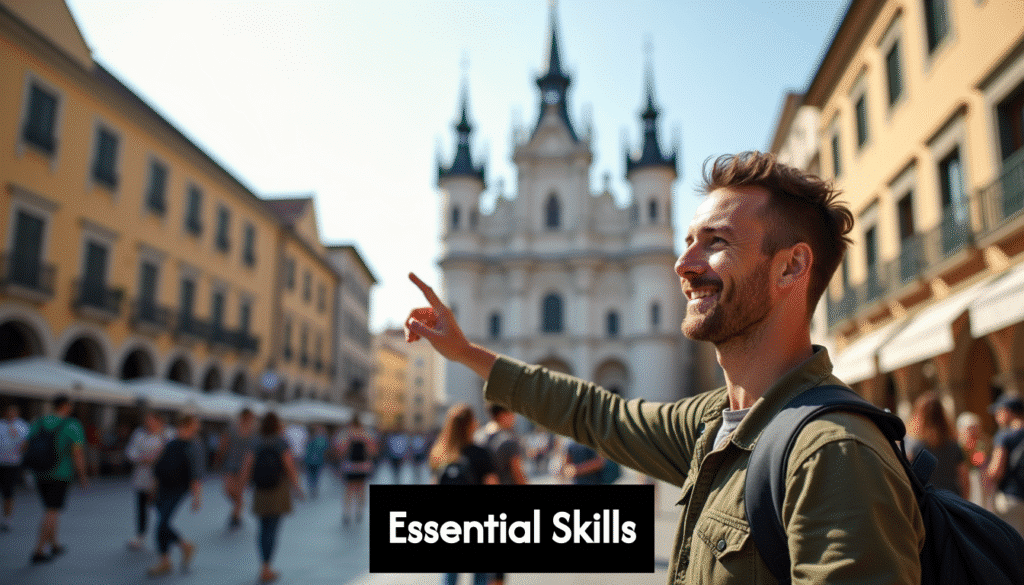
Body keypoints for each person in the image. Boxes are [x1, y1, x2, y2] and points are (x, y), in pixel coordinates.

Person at [405, 151, 925, 584]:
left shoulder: (833, 455)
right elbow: (594, 414)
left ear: (791, 265)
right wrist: (466, 351)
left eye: (715, 243)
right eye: (687, 242)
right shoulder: (712, 423)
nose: (682, 264)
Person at [430, 403, 497, 585]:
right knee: (481, 576)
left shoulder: (440, 454)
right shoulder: (480, 453)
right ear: (470, 424)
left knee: (450, 575)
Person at [240, 412, 304, 584]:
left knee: (262, 528)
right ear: (277, 425)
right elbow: (289, 466)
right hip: (278, 489)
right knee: (273, 529)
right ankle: (267, 566)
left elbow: (247, 464)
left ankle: (264, 565)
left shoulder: (256, 441)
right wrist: (297, 488)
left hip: (260, 489)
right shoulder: (281, 442)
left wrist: (243, 484)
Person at [27, 394, 87, 564]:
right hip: (61, 474)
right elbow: (77, 453)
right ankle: (38, 550)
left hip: (39, 473)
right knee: (51, 511)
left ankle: (54, 544)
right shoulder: (72, 425)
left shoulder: (38, 421)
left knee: (50, 509)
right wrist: (82, 476)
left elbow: (26, 445)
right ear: (66, 406)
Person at [148, 412, 204, 577]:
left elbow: (196, 474)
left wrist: (197, 497)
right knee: (162, 523)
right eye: (195, 423)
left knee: (161, 524)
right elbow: (160, 467)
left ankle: (166, 560)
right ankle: (184, 547)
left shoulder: (194, 446)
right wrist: (153, 489)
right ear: (185, 425)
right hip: (163, 487)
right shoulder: (172, 443)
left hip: (178, 489)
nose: (197, 427)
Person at [125, 410, 173, 550]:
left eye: (151, 419)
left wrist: (158, 459)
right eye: (148, 419)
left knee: (160, 508)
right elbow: (130, 450)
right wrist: (140, 458)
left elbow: (170, 453)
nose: (148, 422)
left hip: (160, 478)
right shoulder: (140, 433)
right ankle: (140, 535)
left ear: (159, 421)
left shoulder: (168, 434)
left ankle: (165, 533)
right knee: (141, 506)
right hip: (142, 474)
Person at [904, 391, 967, 497]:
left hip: (926, 504)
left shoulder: (913, 446)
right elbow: (964, 479)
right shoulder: (953, 445)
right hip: (951, 500)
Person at [986, 394, 1024, 537]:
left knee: (1014, 543)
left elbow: (996, 471)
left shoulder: (1004, 436)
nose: (996, 416)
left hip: (1012, 497)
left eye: (998, 411)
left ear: (1008, 411)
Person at [215, 408, 257, 530]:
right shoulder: (232, 429)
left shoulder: (254, 432)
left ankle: (235, 516)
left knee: (239, 491)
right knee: (227, 489)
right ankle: (239, 506)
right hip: (230, 463)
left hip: (245, 466)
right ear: (244, 416)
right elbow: (223, 444)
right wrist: (218, 459)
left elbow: (255, 450)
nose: (251, 419)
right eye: (250, 417)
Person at [334, 417, 375, 524]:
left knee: (349, 490)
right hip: (363, 466)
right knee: (361, 489)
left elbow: (340, 450)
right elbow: (372, 451)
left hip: (350, 466)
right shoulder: (366, 434)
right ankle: (359, 510)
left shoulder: (346, 434)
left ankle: (347, 512)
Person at [0, 403, 29, 533]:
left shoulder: (22, 426)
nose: (11, 415)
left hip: (13, 463)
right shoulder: (1, 425)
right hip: (1, 462)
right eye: (9, 413)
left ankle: (7, 520)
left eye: (13, 413)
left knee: (8, 492)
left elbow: (26, 443)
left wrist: (17, 437)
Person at [957, 411, 993, 508]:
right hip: (966, 482)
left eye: (975, 427)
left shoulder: (983, 443)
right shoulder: (958, 446)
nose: (973, 431)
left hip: (983, 482)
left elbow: (980, 460)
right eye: (970, 428)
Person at [303, 424, 329, 499]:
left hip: (309, 461)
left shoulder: (308, 440)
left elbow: (305, 451)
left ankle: (312, 488)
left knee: (310, 475)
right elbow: (325, 449)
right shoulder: (321, 440)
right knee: (316, 475)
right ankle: (314, 488)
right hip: (318, 461)